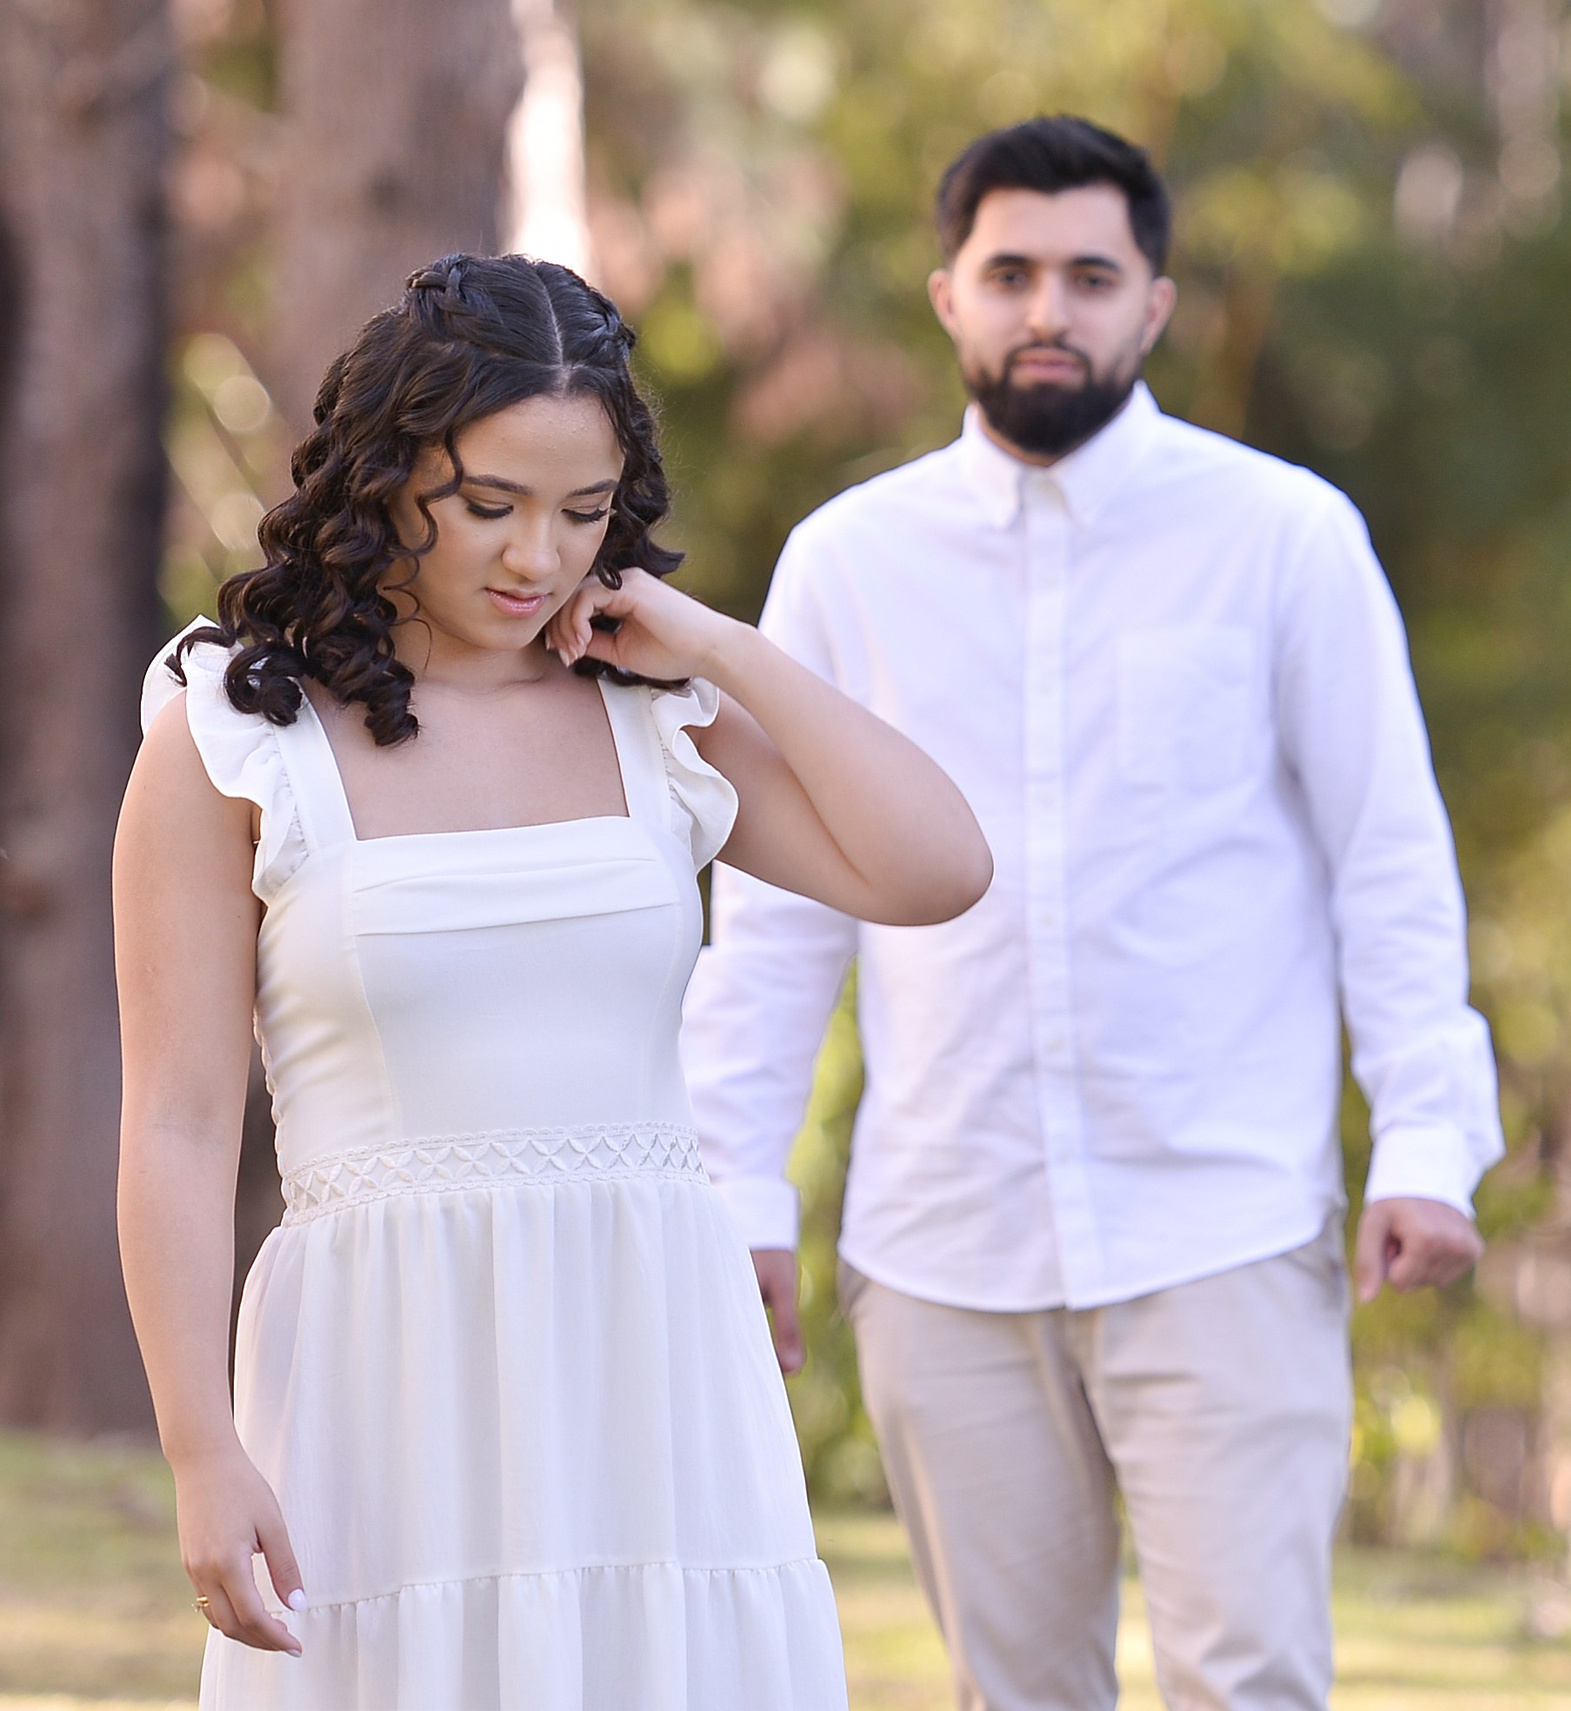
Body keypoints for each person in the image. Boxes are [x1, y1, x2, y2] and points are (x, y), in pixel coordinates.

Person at [682, 117, 1506, 1710]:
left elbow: (1388, 862)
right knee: (1016, 1692)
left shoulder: (1284, 538)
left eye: (1087, 275)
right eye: (1011, 274)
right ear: (947, 299)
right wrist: (739, 1188)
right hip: (944, 1239)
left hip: (1223, 1223)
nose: (1045, 308)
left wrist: (1426, 1139)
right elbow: (777, 919)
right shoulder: (849, 561)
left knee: (1248, 1677)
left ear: (1153, 306)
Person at [115, 252, 991, 1709]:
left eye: (582, 516)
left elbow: (938, 866)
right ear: (389, 477)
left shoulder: (655, 719)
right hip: (378, 1379)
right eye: (489, 507)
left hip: (651, 1361)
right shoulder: (234, 733)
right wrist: (202, 1448)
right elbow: (179, 1127)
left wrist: (719, 646)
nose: (537, 559)